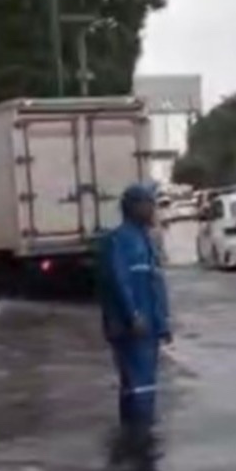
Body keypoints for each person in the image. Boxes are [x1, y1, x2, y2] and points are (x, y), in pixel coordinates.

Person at [96, 182, 172, 427]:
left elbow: (155, 286)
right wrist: (133, 315)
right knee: (140, 384)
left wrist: (163, 323)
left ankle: (134, 432)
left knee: (140, 384)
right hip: (132, 326)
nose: (153, 209)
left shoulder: (146, 239)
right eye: (149, 204)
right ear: (134, 207)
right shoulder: (119, 240)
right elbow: (119, 281)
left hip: (149, 325)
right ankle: (140, 434)